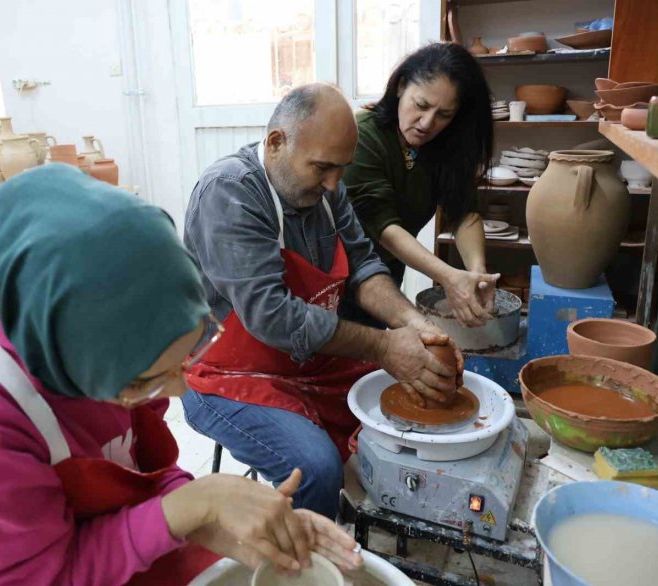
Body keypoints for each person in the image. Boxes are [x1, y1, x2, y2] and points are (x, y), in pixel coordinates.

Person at [0, 166, 363, 585]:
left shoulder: (99, 345)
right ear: (75, 364)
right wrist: (194, 506)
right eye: (148, 382)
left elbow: (139, 469)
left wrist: (222, 521)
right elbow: (48, 575)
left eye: (188, 356)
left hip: (74, 539)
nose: (179, 390)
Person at [182, 83, 463, 521]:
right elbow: (271, 316)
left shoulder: (327, 190)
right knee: (315, 468)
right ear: (277, 142)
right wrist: (384, 347)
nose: (334, 183)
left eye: (342, 169)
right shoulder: (231, 192)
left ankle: (372, 524)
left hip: (302, 361)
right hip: (222, 373)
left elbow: (365, 268)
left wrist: (413, 324)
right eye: (322, 168)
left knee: (409, 395)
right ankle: (313, 561)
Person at [342, 42, 499, 328]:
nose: (427, 123)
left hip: (387, 278)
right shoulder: (364, 135)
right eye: (422, 105)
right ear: (401, 86)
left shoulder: (443, 145)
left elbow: (463, 211)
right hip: (339, 279)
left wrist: (477, 273)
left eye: (444, 115)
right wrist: (449, 277)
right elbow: (384, 229)